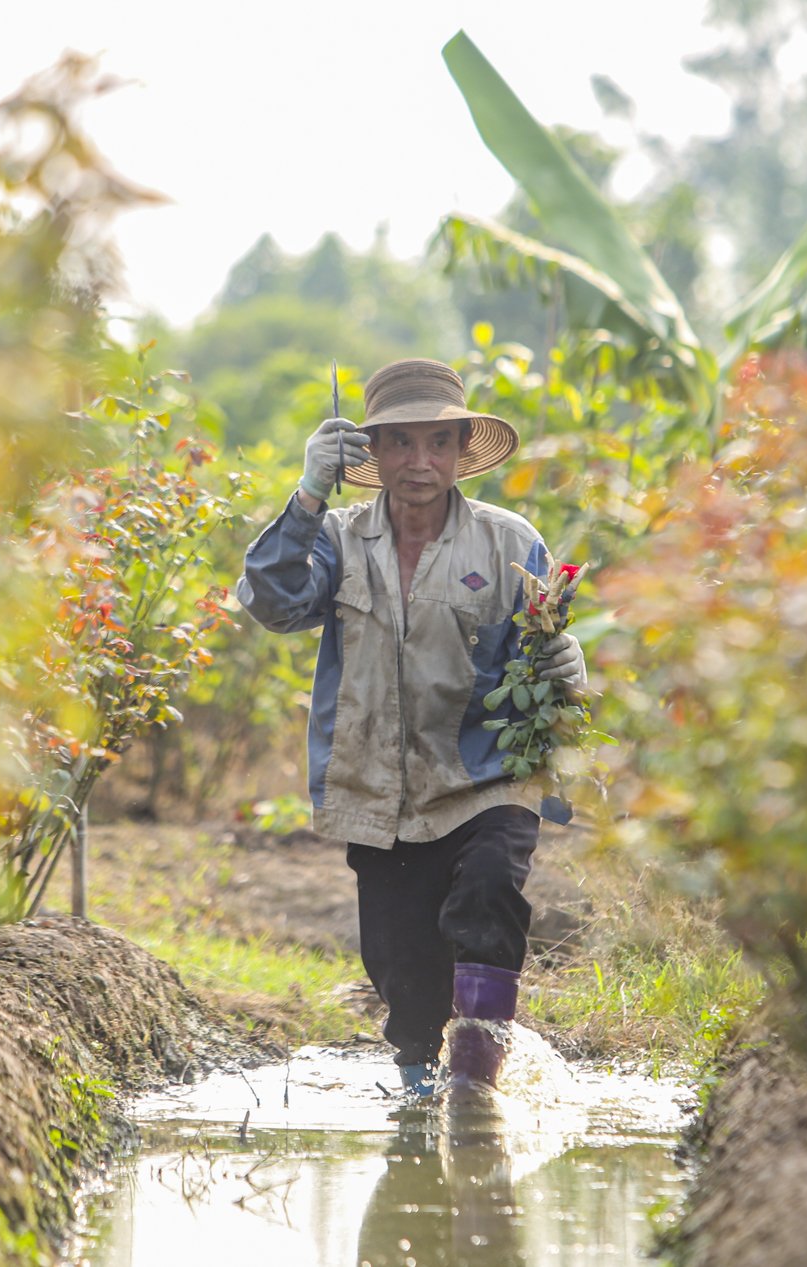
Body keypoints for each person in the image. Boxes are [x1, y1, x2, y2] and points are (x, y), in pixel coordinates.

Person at [236, 358, 586, 1096]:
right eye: (399, 442)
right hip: (382, 787)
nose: (419, 461)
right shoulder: (336, 538)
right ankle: (418, 1087)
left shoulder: (507, 542)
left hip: (487, 778)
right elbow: (271, 602)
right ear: (373, 454)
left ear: (461, 449)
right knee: (403, 967)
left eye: (437, 442)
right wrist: (304, 493)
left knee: (488, 896)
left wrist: (564, 663)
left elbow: (545, 649)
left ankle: (476, 1087)